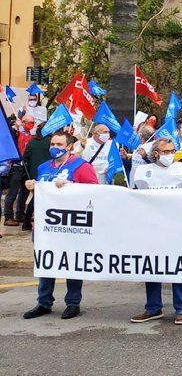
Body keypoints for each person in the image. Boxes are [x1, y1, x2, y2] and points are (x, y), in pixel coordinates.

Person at [22, 131, 98, 320]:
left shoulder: (81, 166)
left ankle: (73, 303)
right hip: (44, 225)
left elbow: (95, 192)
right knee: (46, 261)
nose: (55, 147)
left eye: (60, 144)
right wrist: (32, 186)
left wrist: (72, 186)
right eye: (53, 143)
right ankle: (44, 302)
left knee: (71, 262)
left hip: (72, 225)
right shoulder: (43, 167)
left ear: (70, 146)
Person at [130, 137, 182, 325]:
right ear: (155, 153)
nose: (169, 155)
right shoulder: (143, 171)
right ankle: (153, 308)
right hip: (152, 227)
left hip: (178, 226)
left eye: (172, 151)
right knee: (152, 267)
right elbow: (134, 196)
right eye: (165, 151)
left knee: (179, 268)